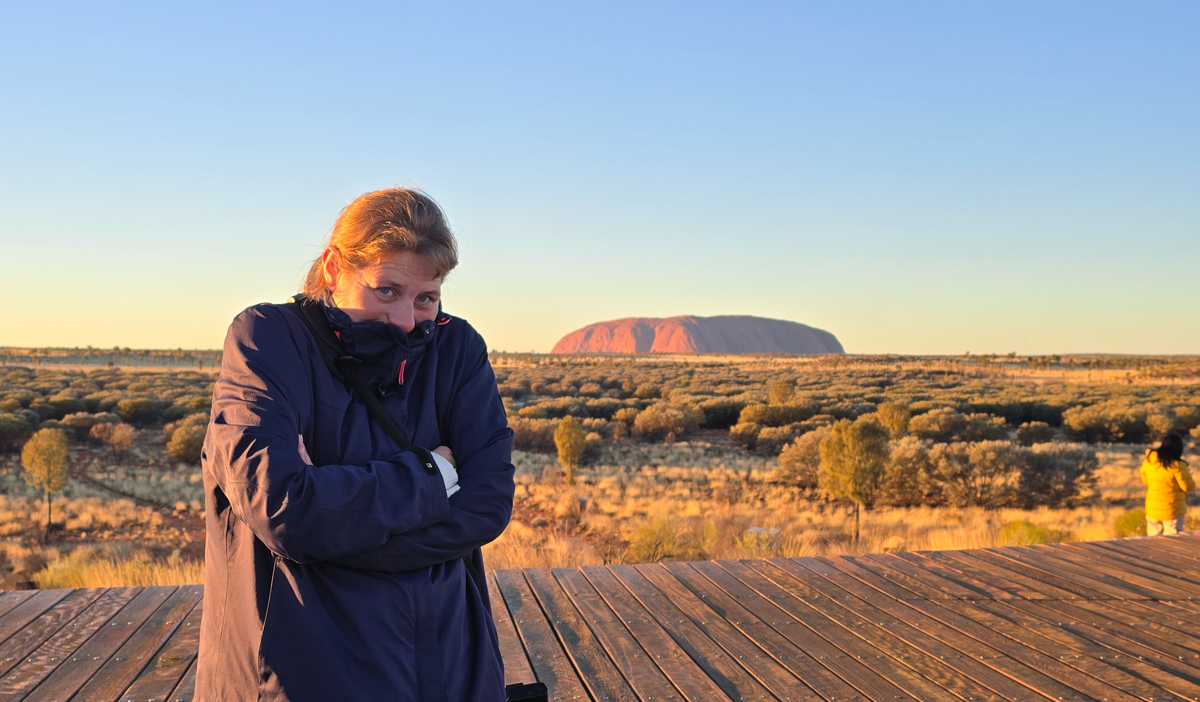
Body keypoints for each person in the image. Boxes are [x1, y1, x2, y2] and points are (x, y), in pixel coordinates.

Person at [196, 188, 515, 701]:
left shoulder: (457, 349)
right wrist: (435, 475)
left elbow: (489, 504)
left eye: (426, 297)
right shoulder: (268, 339)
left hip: (448, 662)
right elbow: (283, 508)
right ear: (331, 268)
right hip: (302, 671)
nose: (407, 319)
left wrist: (330, 532)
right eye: (386, 290)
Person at [1139, 433, 1193, 536]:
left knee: (1153, 541)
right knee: (1173, 542)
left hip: (1152, 509)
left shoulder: (1149, 462)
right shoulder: (1178, 466)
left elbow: (1145, 480)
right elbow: (1188, 487)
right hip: (1173, 510)